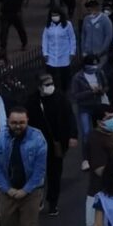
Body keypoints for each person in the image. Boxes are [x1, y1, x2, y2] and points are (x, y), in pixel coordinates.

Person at [25, 73, 76, 216]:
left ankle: (53, 202)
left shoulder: (60, 98)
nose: (51, 86)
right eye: (47, 84)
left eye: (51, 83)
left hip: (56, 144)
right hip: (38, 144)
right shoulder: (31, 101)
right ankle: (38, 198)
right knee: (37, 174)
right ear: (39, 87)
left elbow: (70, 116)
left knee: (55, 174)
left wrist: (73, 135)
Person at [70, 54, 109, 171]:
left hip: (98, 106)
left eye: (96, 65)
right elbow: (75, 95)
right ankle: (86, 159)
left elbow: (106, 86)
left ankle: (100, 155)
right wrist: (91, 92)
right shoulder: (78, 78)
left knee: (101, 131)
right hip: (84, 108)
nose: (94, 67)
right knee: (86, 133)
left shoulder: (99, 73)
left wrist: (101, 90)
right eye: (92, 65)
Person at [41, 8, 76, 91]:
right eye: (53, 15)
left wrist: (72, 52)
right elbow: (45, 40)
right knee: (51, 77)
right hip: (51, 56)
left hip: (64, 55)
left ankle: (64, 92)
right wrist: (45, 53)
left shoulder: (68, 25)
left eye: (56, 15)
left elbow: (72, 39)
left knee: (64, 78)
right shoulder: (48, 26)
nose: (54, 17)